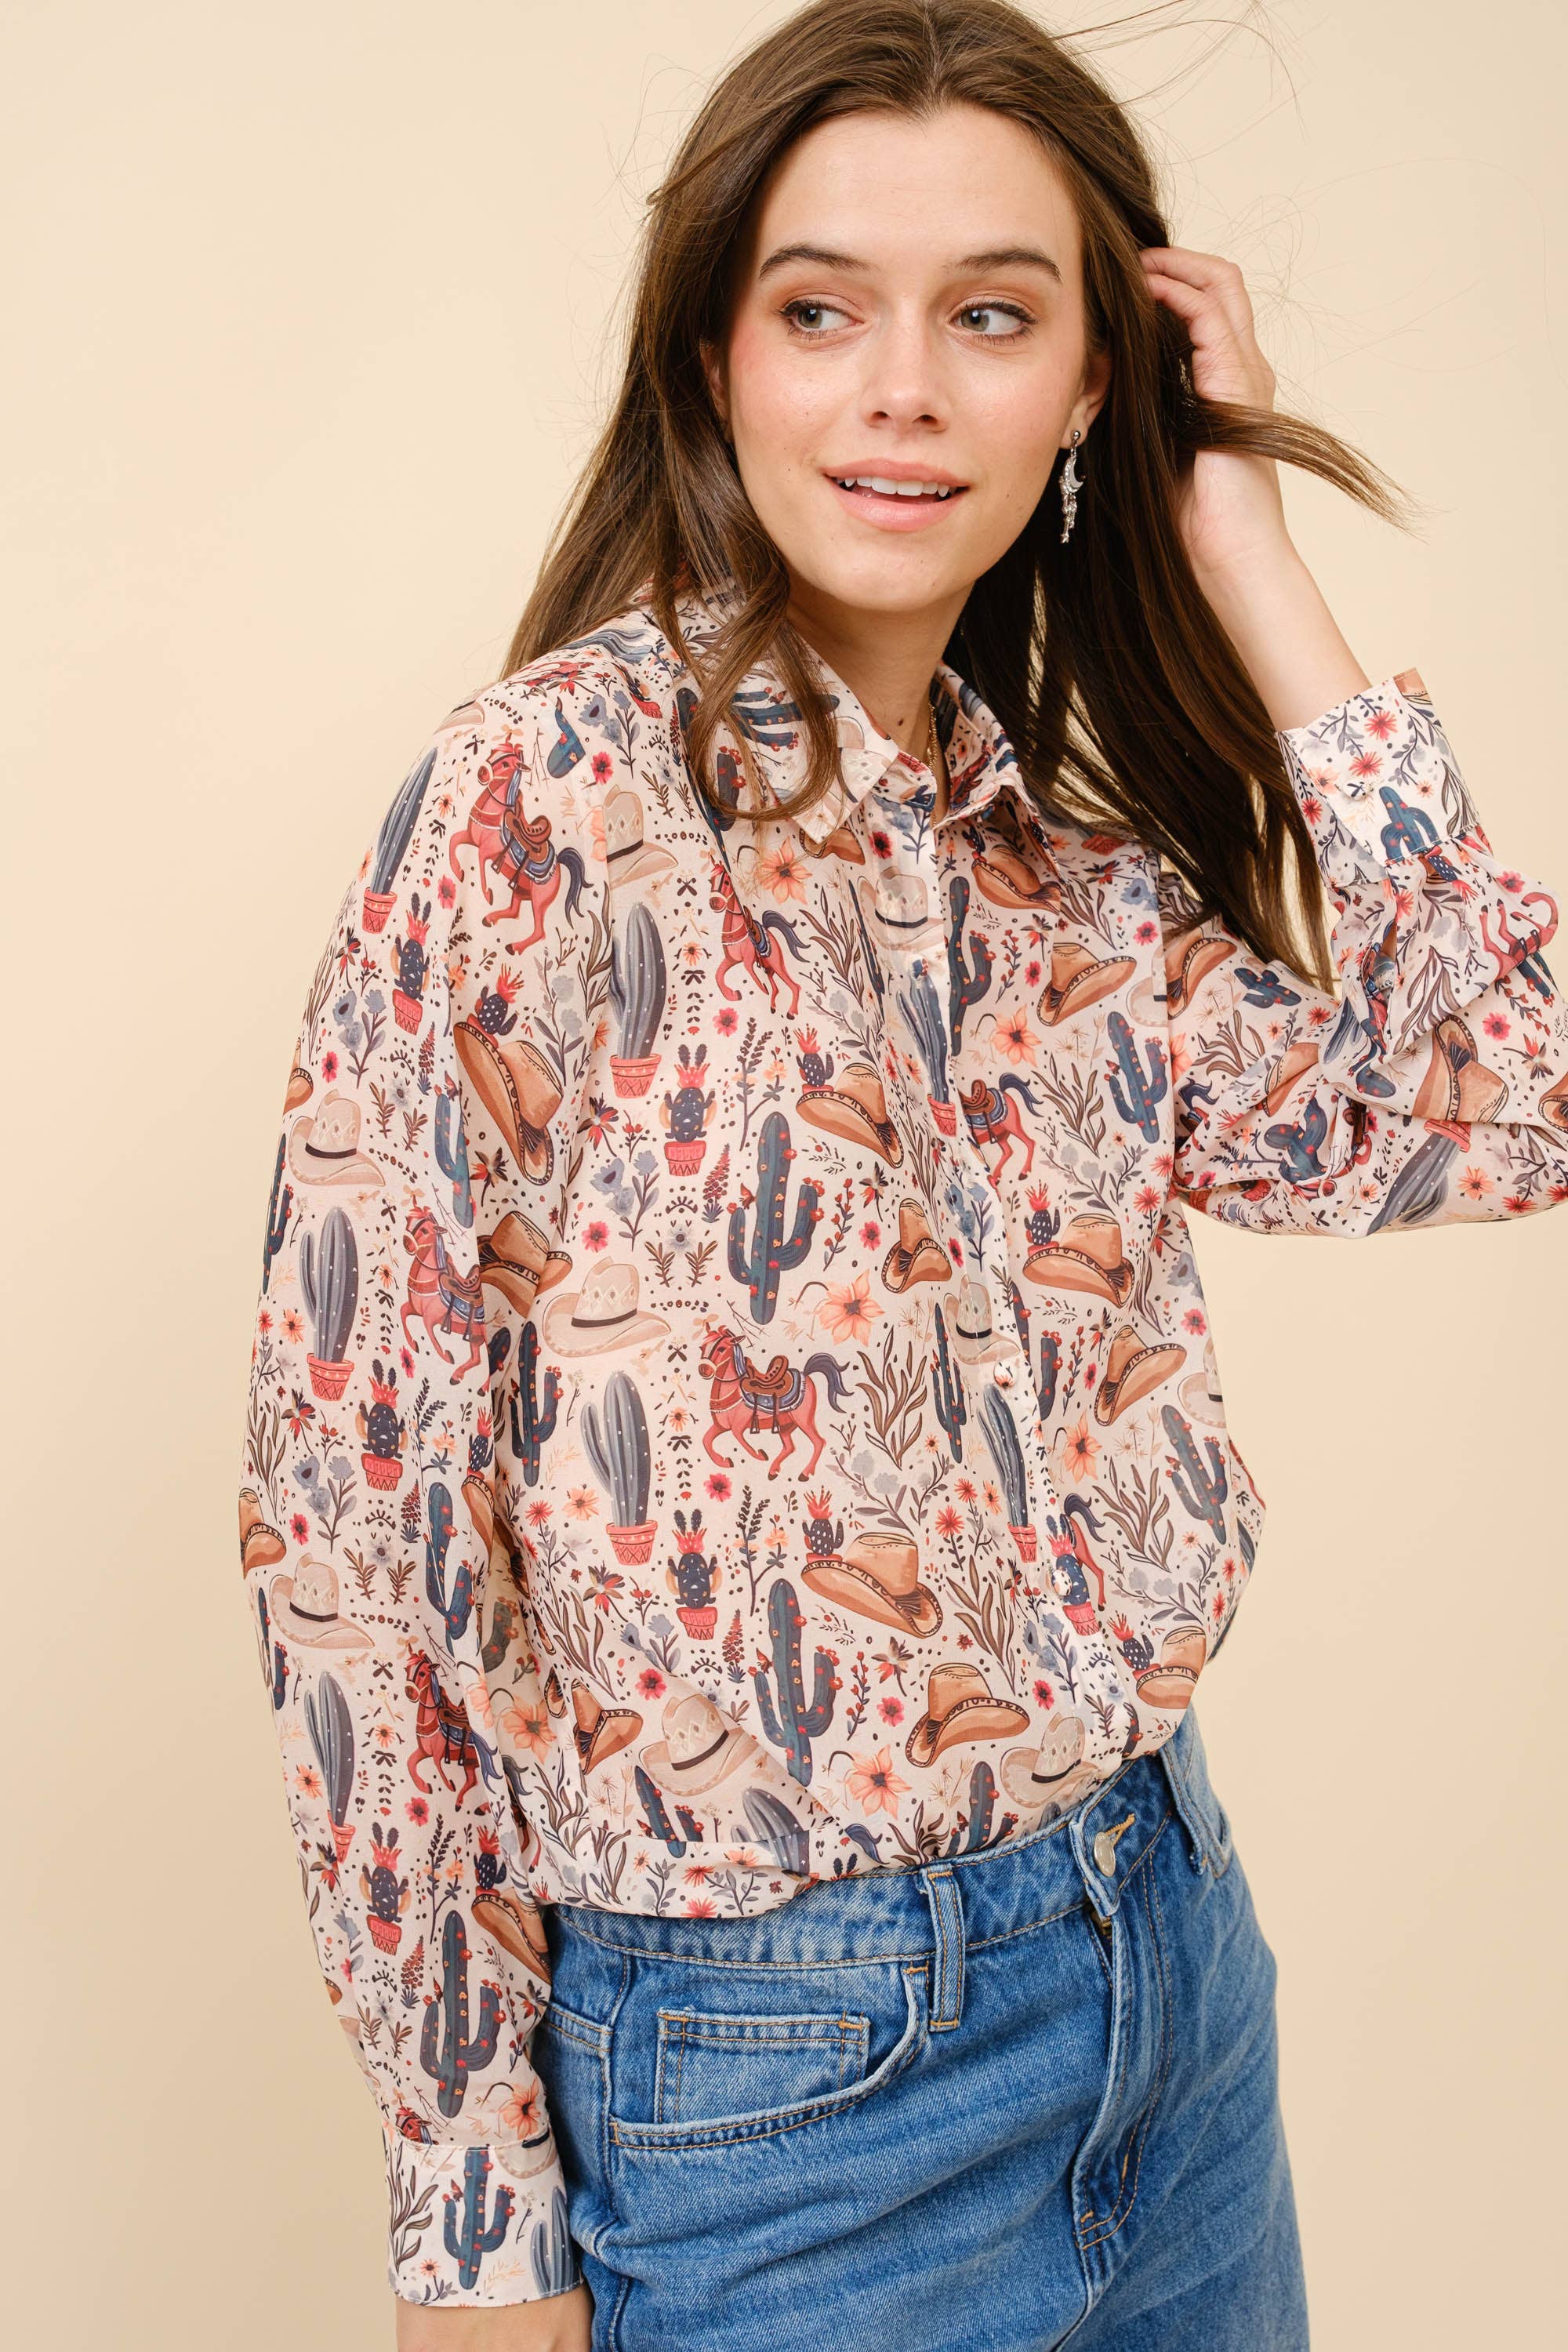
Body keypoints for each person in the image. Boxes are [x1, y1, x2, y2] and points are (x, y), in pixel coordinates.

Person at [235, 4, 1568, 2347]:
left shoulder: (1058, 882)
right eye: (821, 305)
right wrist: (469, 2207)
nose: (903, 389)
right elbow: (353, 1518)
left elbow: (1518, 1088)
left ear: (1088, 389)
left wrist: (1251, 547)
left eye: (995, 315)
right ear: (717, 359)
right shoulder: (540, 809)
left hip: (1159, 1962)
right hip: (781, 2083)